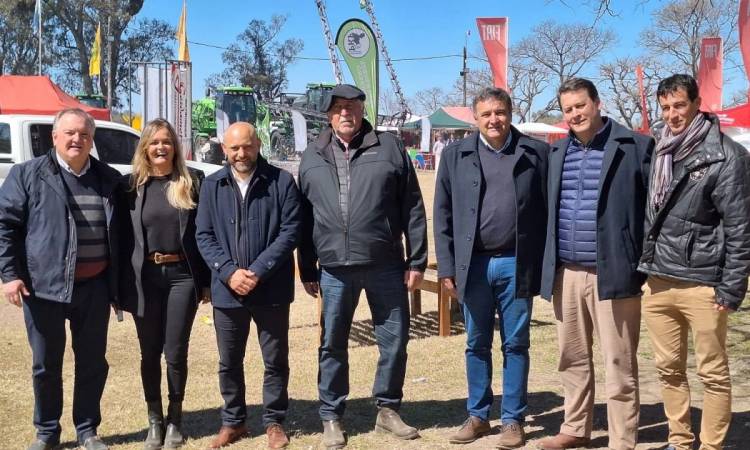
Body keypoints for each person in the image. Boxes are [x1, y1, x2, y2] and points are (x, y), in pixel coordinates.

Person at [297, 84, 428, 449]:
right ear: (328, 115)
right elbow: (304, 220)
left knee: (395, 340)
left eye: (352, 106)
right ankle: (332, 416)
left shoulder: (389, 148)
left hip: (385, 263)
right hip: (335, 268)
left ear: (362, 110)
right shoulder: (311, 156)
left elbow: (413, 208)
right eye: (338, 108)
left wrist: (416, 260)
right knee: (332, 343)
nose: (345, 113)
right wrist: (307, 268)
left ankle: (387, 409)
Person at [538, 78, 654, 450]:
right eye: (568, 109)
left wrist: (643, 261)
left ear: (597, 103)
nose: (574, 114)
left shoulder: (635, 146)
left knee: (619, 362)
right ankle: (575, 428)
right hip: (567, 273)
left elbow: (652, 211)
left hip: (615, 273)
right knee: (571, 358)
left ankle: (623, 439)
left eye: (580, 106)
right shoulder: (557, 154)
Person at [638, 74, 750, 450]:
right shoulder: (661, 150)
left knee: (712, 372)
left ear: (697, 103)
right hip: (658, 280)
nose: (672, 114)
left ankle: (712, 445)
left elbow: (740, 229)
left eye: (679, 105)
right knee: (668, 369)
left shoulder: (727, 156)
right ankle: (679, 440)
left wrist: (732, 287)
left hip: (704, 283)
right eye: (666, 107)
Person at [0, 108, 121, 450]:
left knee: (92, 363)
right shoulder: (27, 175)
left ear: (91, 139)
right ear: (54, 137)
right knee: (45, 365)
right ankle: (47, 432)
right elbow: (5, 225)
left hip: (94, 287)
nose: (76, 140)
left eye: (84, 134)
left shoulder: (108, 178)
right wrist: (10, 275)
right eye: (69, 133)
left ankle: (87, 429)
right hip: (44, 288)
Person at [434, 87, 548, 448]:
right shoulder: (456, 155)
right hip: (474, 265)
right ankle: (479, 416)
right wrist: (447, 267)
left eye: (499, 112)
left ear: (510, 113)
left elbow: (547, 209)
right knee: (476, 343)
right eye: (486, 114)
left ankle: (513, 419)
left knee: (516, 344)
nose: (493, 120)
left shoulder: (535, 153)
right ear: (476, 118)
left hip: (517, 263)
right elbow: (443, 214)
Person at [196, 121, 301, 449]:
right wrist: (228, 272)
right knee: (229, 361)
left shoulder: (281, 181)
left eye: (248, 146)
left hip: (270, 288)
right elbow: (204, 235)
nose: (242, 153)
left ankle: (274, 421)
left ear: (259, 145)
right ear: (224, 149)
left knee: (275, 359)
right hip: (227, 291)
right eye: (234, 148)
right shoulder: (212, 185)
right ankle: (233, 421)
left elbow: (291, 230)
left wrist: (257, 270)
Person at [118, 119, 211, 449]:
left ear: (175, 147)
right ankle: (154, 420)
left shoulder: (191, 182)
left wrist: (207, 282)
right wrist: (118, 289)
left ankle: (175, 419)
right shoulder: (130, 187)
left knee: (175, 352)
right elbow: (120, 239)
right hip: (144, 279)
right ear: (145, 147)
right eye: (154, 142)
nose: (161, 147)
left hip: (182, 278)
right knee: (148, 353)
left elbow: (203, 236)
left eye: (167, 142)